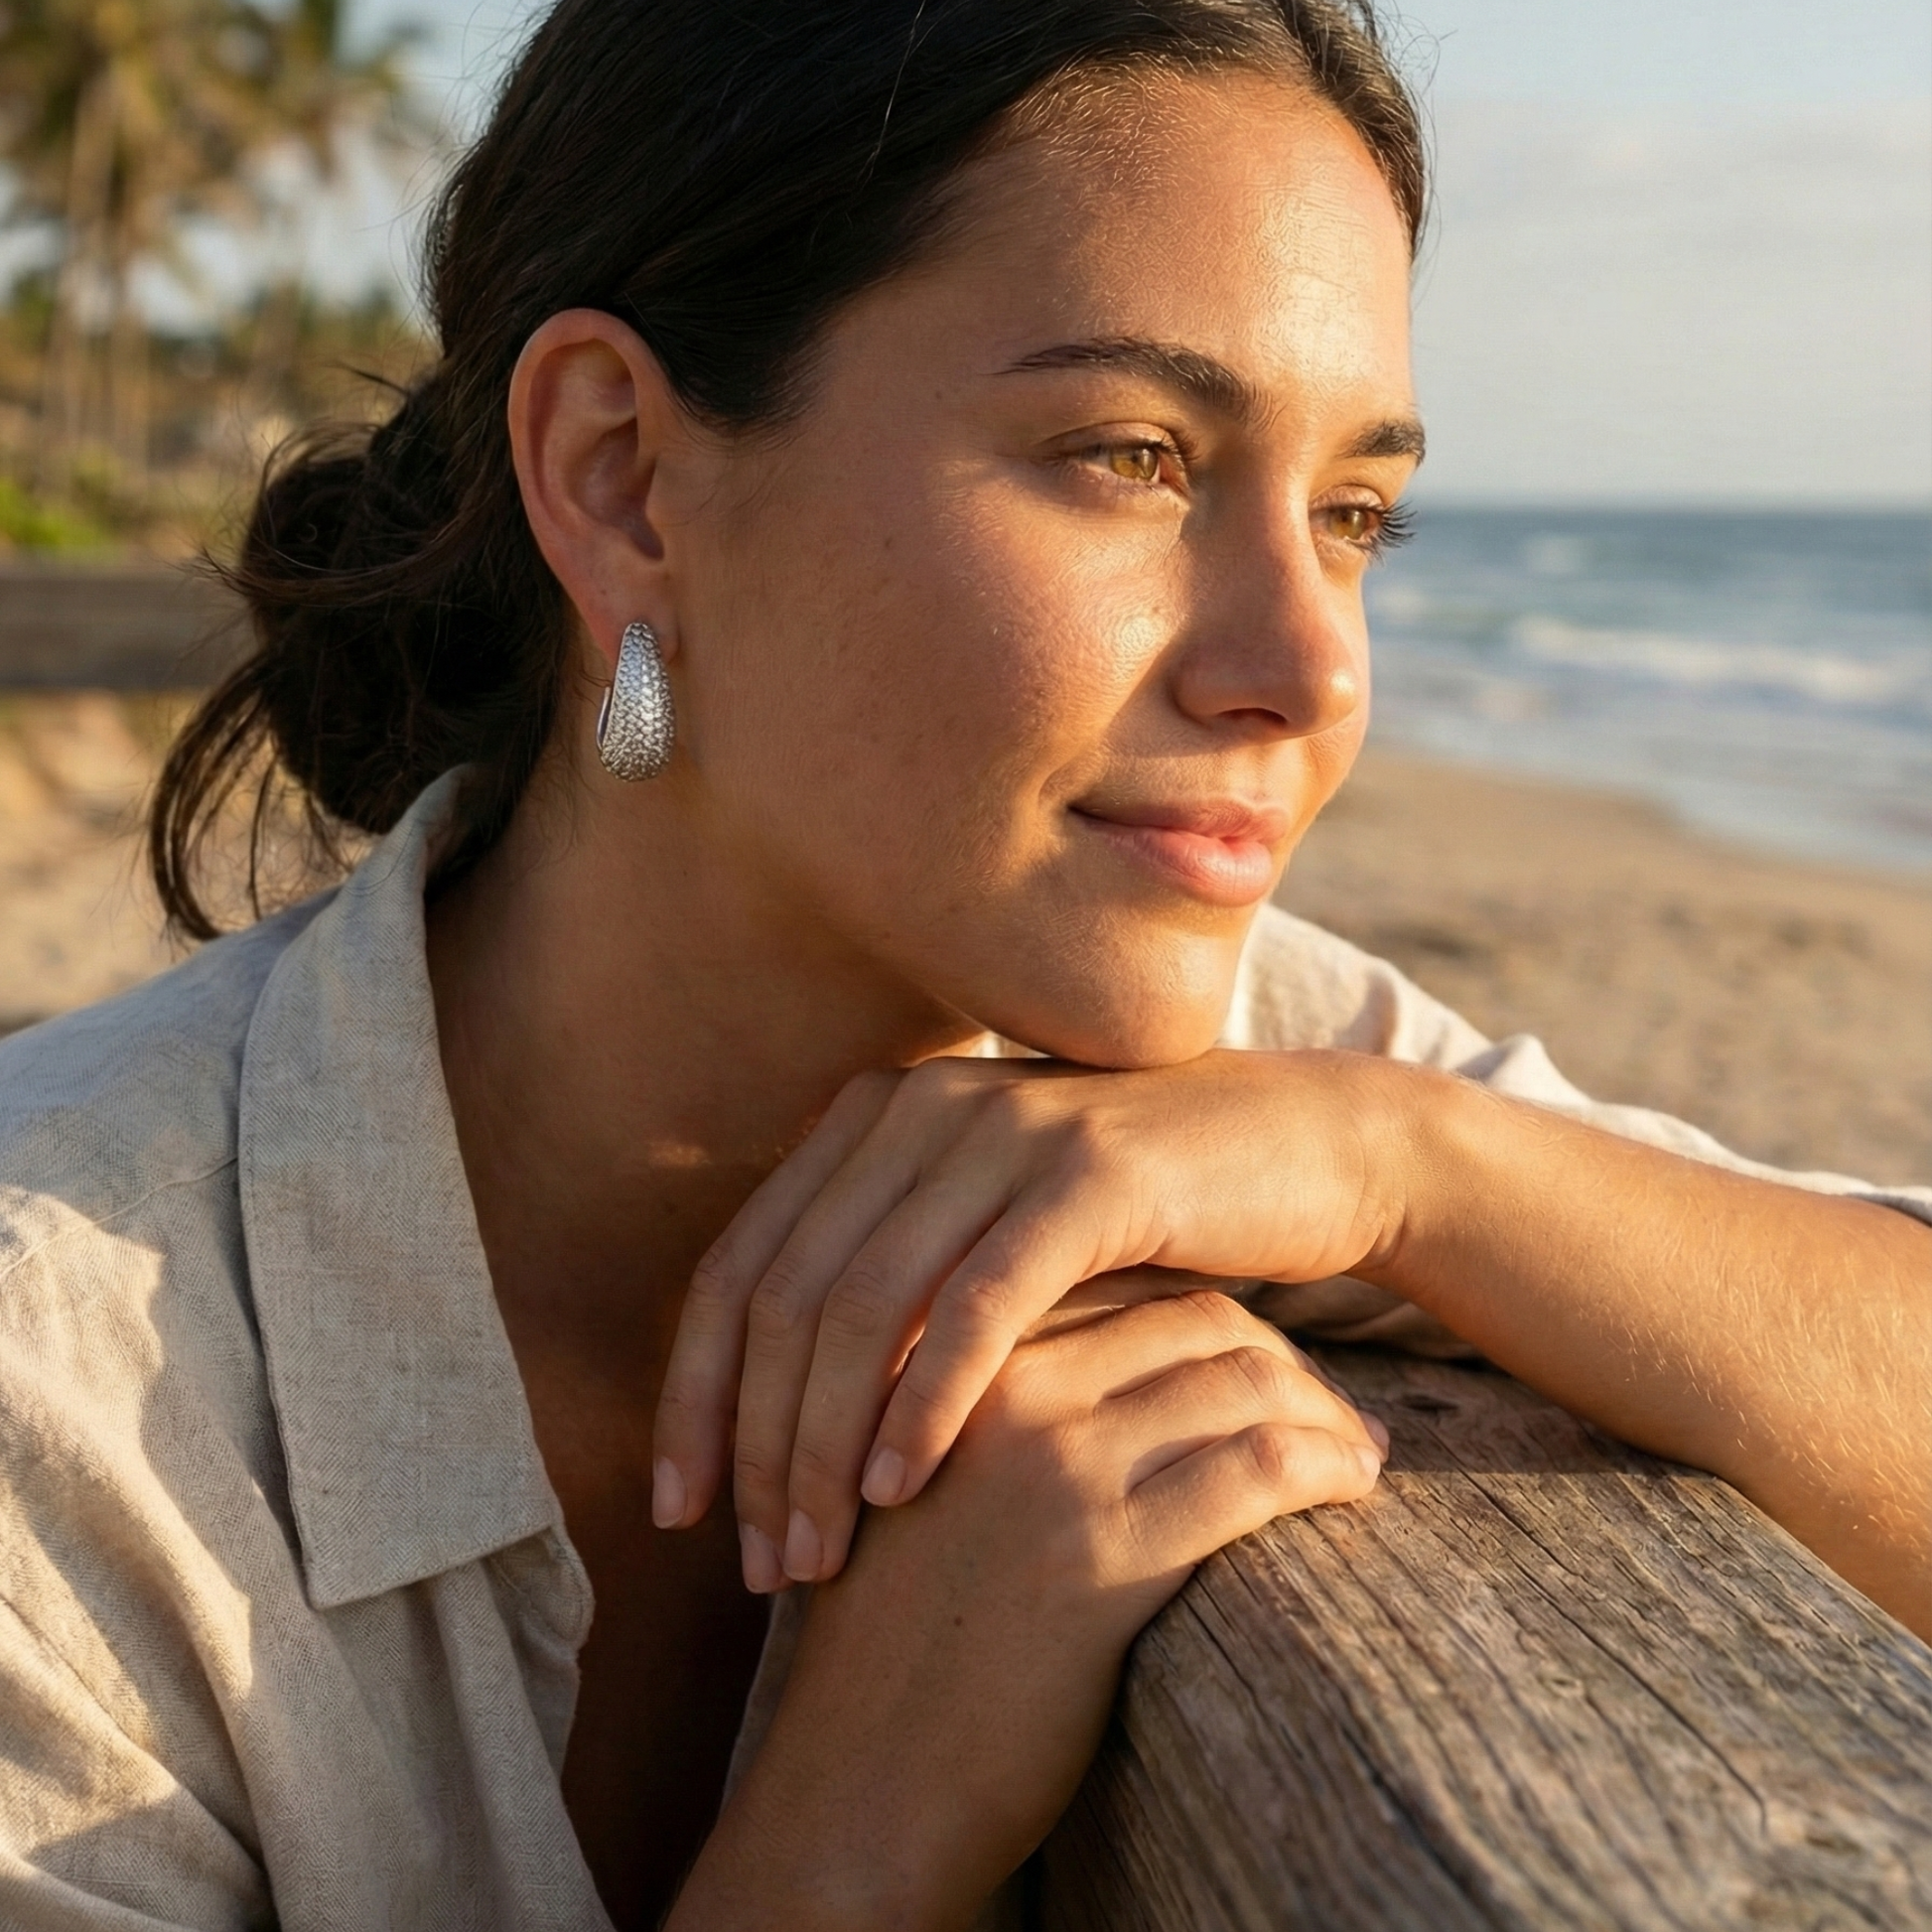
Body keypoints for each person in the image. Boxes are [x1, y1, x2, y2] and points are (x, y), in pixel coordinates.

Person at [1, 0, 1926, 1924]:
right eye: (1132, 457)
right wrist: (849, 1843)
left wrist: (1411, 1168)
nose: (1316, 666)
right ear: (620, 479)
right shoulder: (60, 1400)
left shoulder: (1244, 1071)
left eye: (1353, 514)